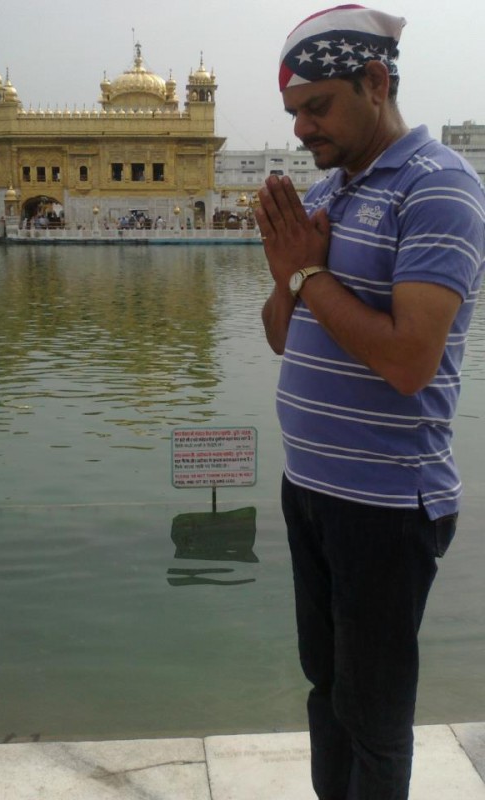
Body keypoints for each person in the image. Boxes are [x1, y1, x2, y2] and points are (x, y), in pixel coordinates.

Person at [255, 5, 485, 800]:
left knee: (375, 714)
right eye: (294, 114)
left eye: (317, 107)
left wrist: (311, 275)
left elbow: (410, 360)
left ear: (376, 82)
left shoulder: (440, 188)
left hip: (386, 503)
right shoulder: (329, 191)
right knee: (326, 689)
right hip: (312, 490)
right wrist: (290, 270)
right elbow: (283, 335)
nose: (303, 130)